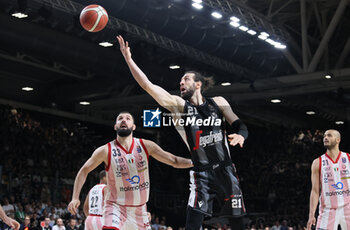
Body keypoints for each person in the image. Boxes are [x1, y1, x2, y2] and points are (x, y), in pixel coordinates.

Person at [117, 35, 248, 230]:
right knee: (192, 225)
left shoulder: (218, 102)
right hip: (201, 173)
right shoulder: (179, 107)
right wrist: (129, 59)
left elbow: (240, 125)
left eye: (185, 79)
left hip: (226, 169)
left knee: (238, 223)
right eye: (180, 81)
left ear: (198, 84)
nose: (181, 83)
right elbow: (148, 86)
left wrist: (241, 136)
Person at [68, 111, 193, 230]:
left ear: (133, 127)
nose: (124, 120)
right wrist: (75, 198)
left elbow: (174, 161)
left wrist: (196, 163)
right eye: (120, 118)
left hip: (140, 210)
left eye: (128, 118)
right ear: (115, 127)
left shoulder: (146, 145)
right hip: (115, 207)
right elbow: (84, 171)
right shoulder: (105, 150)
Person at [307, 129, 350, 230]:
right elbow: (315, 190)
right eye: (324, 136)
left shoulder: (348, 158)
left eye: (329, 135)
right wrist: (311, 214)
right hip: (328, 209)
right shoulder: (318, 162)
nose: (325, 138)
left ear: (338, 140)